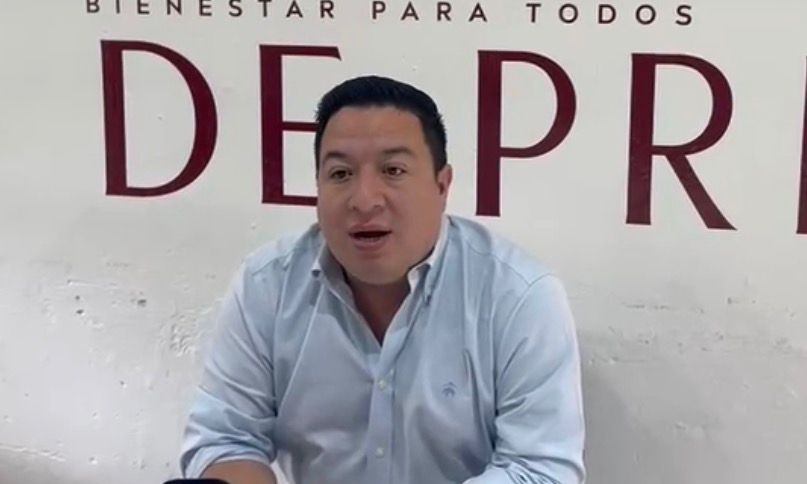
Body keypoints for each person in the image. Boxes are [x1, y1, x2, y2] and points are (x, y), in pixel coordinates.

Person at [179, 75, 585, 484]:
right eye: (341, 174)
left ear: (442, 186)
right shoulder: (266, 285)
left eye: (393, 170)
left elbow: (541, 470)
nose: (364, 200)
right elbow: (225, 440)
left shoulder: (518, 295)